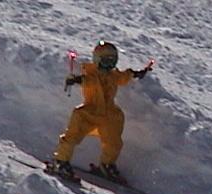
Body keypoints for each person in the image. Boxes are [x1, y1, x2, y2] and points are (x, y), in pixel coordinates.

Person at [51, 41, 152, 181]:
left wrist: (135, 74)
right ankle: (60, 161)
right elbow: (87, 80)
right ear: (97, 61)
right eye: (105, 62)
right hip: (88, 113)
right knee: (72, 136)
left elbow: (122, 77)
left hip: (108, 115)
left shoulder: (113, 75)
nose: (109, 66)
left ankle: (107, 164)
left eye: (112, 62)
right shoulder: (91, 74)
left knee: (113, 141)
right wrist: (75, 80)